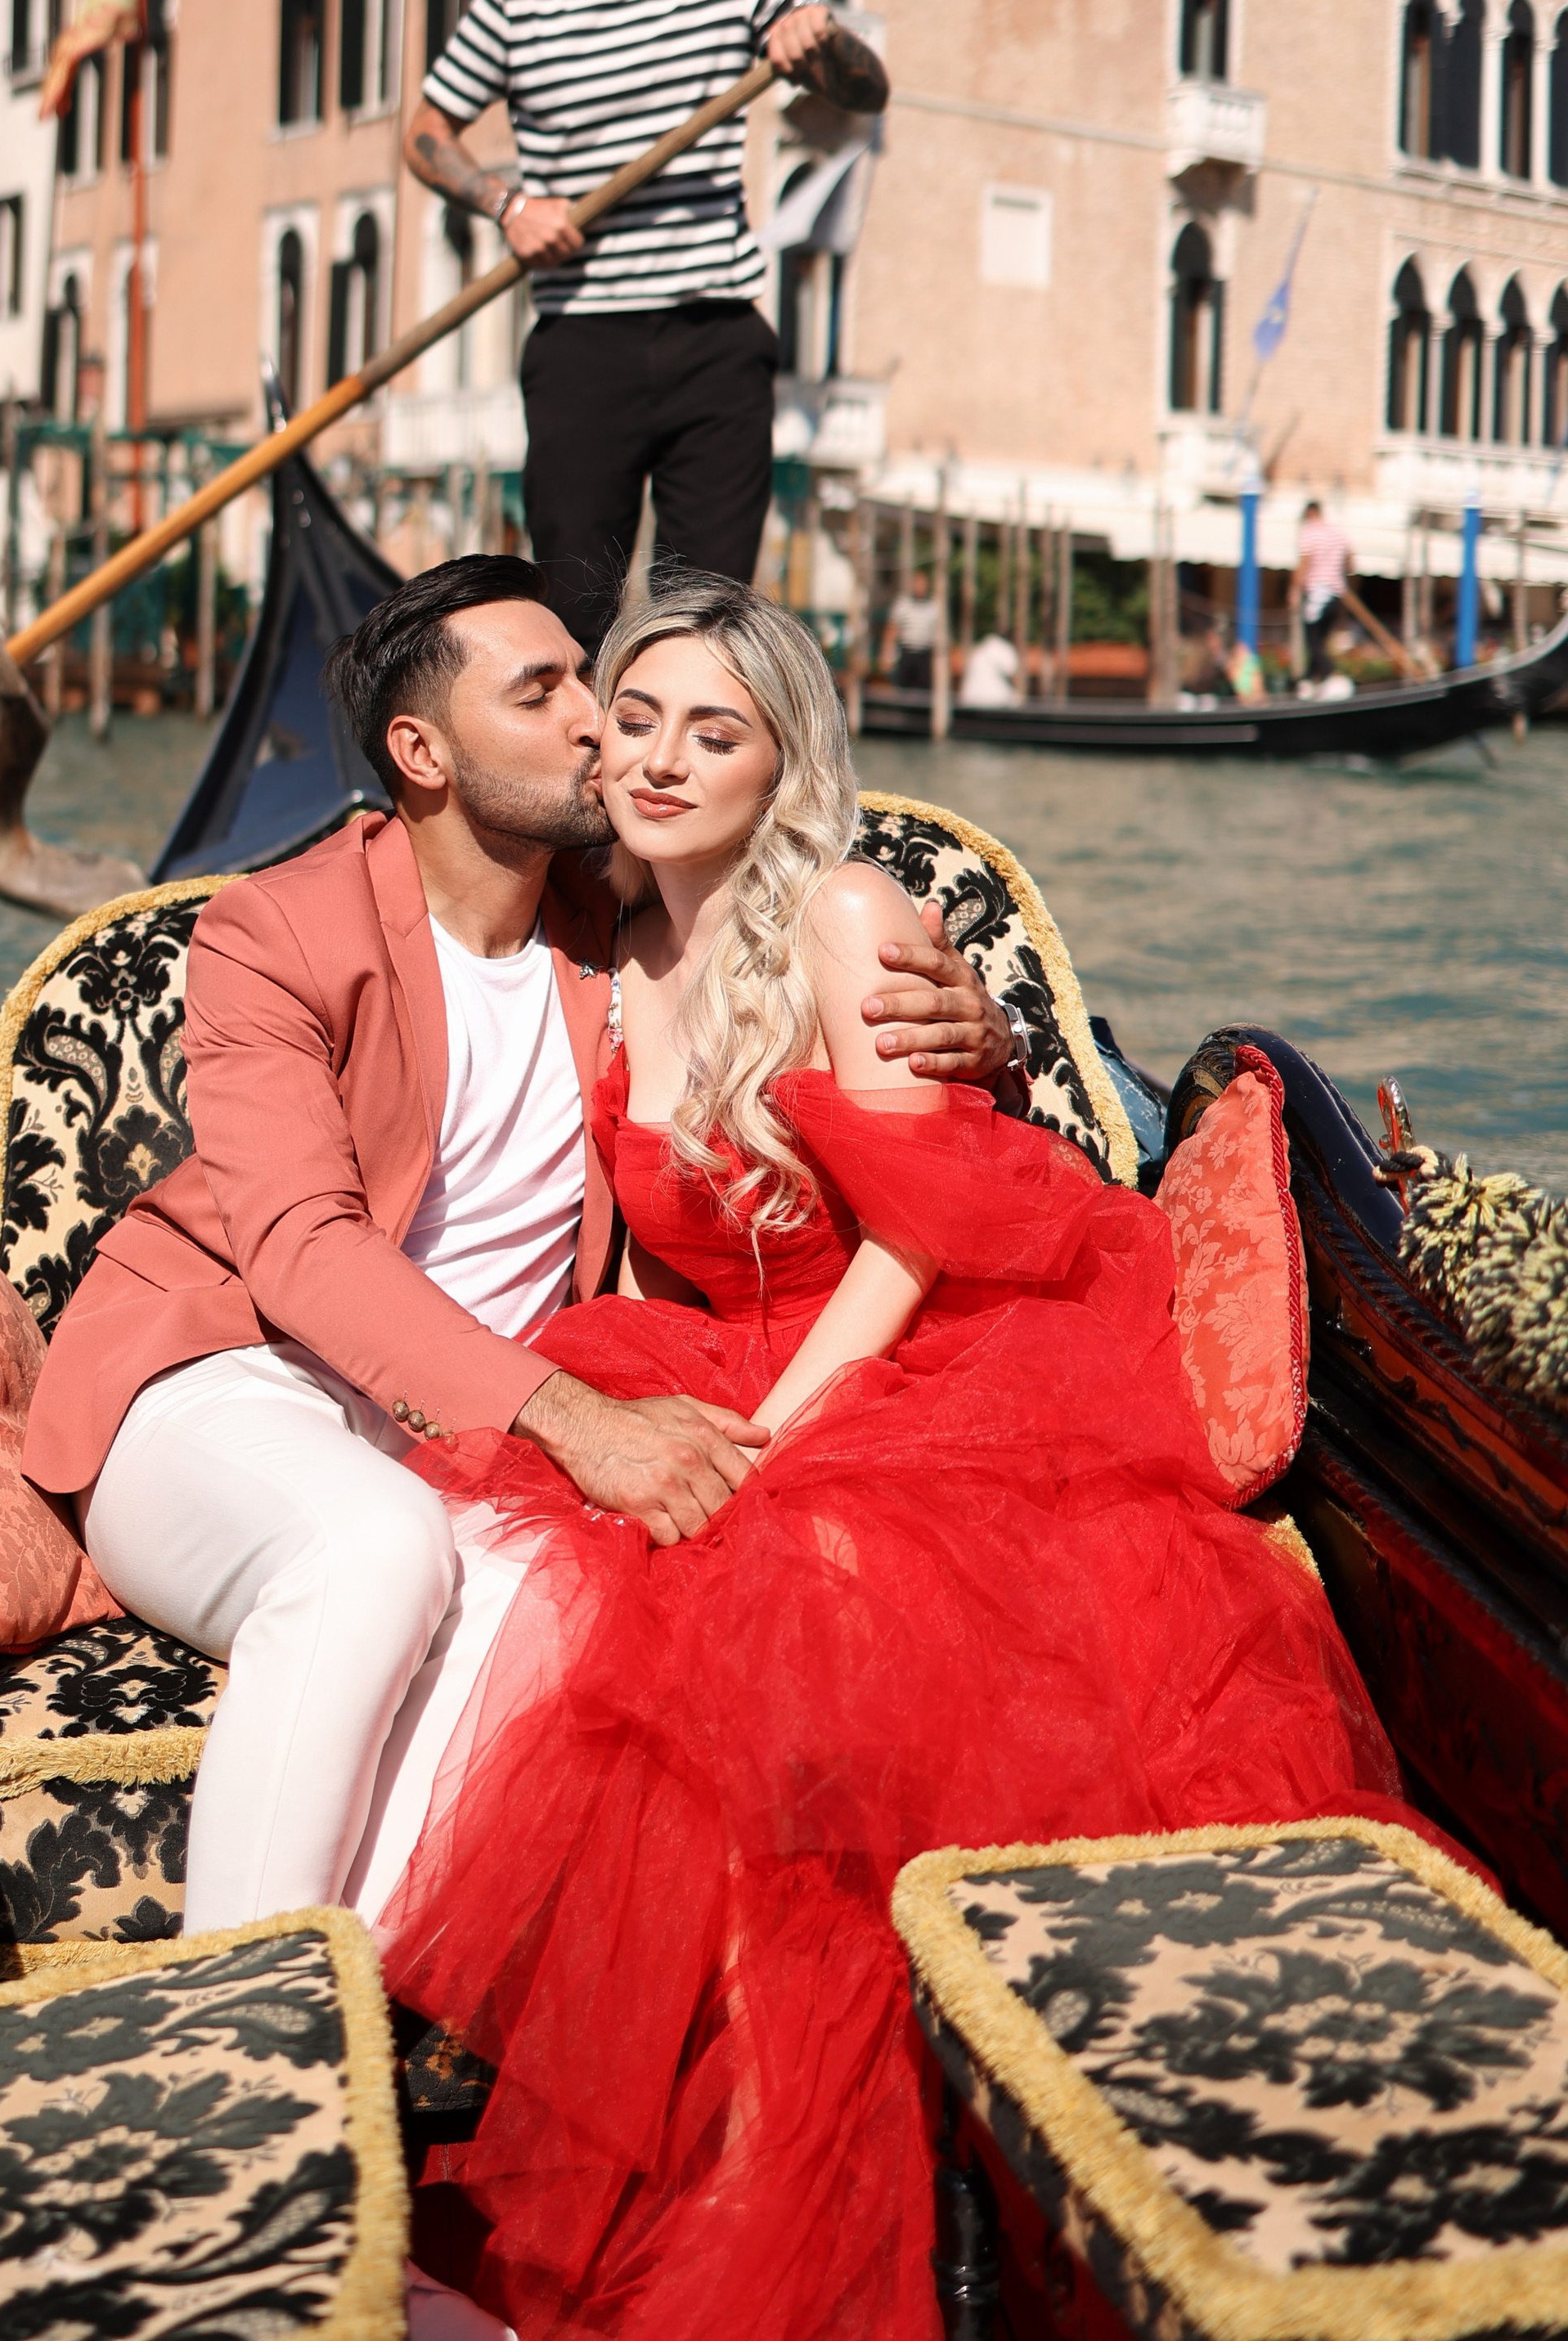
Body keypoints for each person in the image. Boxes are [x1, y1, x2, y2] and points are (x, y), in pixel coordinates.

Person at [371, 574, 1417, 2341]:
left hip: (933, 1356)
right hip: (720, 1355)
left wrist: (772, 1437)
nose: (660, 760)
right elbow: (641, 1259)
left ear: (780, 765)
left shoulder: (845, 916)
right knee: (568, 1575)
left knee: (787, 1612)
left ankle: (836, 2160)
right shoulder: (607, 943)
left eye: (714, 733)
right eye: (637, 720)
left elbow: (917, 1235)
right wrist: (621, 1412)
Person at [20, 556, 1017, 1947]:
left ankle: (370, 2000)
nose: (602, 728)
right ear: (423, 754)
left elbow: (818, 1003)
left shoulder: (621, 917)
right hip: (235, 1379)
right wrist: (578, 1422)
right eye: (545, 694)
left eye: (590, 685)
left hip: (478, 1441)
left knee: (590, 1637)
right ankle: (230, 2018)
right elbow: (303, 1250)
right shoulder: (274, 930)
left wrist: (983, 1035)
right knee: (372, 1550)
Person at [404, 0, 888, 649]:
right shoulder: (516, 4)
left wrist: (818, 40)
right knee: (573, 614)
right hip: (581, 343)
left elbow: (866, 89)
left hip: (716, 336)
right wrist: (508, 206)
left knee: (706, 617)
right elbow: (425, 132)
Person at [1297, 496, 1350, 682]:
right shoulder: (1338, 534)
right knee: (1321, 639)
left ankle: (1328, 673)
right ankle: (1313, 677)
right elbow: (1350, 561)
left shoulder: (1310, 532)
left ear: (1310, 513)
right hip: (1336, 593)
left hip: (1318, 593)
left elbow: (1305, 562)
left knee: (1312, 639)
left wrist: (1294, 590)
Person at [883, 564, 941, 691]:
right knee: (903, 687)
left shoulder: (933, 606)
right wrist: (887, 654)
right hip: (906, 652)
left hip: (924, 653)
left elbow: (937, 634)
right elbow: (892, 628)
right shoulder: (903, 604)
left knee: (924, 689)